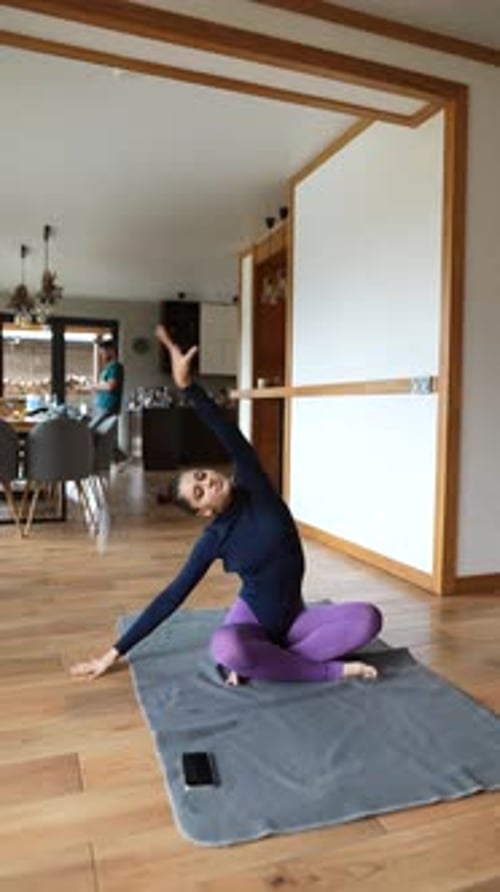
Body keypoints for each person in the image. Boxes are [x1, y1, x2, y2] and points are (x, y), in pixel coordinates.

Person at [71, 324, 382, 684]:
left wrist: (188, 386)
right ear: (204, 512)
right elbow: (171, 597)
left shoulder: (253, 484)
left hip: (295, 619)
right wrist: (112, 653)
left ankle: (269, 662)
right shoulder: (214, 538)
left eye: (203, 476)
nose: (208, 483)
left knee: (368, 619)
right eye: (199, 492)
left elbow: (226, 431)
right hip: (252, 623)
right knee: (228, 648)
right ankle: (320, 669)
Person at [91, 335, 127, 463]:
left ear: (111, 350)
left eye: (103, 351)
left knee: (91, 432)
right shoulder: (108, 368)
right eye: (101, 352)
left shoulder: (116, 367)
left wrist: (94, 386)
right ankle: (121, 460)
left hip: (108, 406)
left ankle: (94, 462)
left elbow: (111, 386)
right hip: (102, 406)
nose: (102, 354)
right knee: (107, 438)